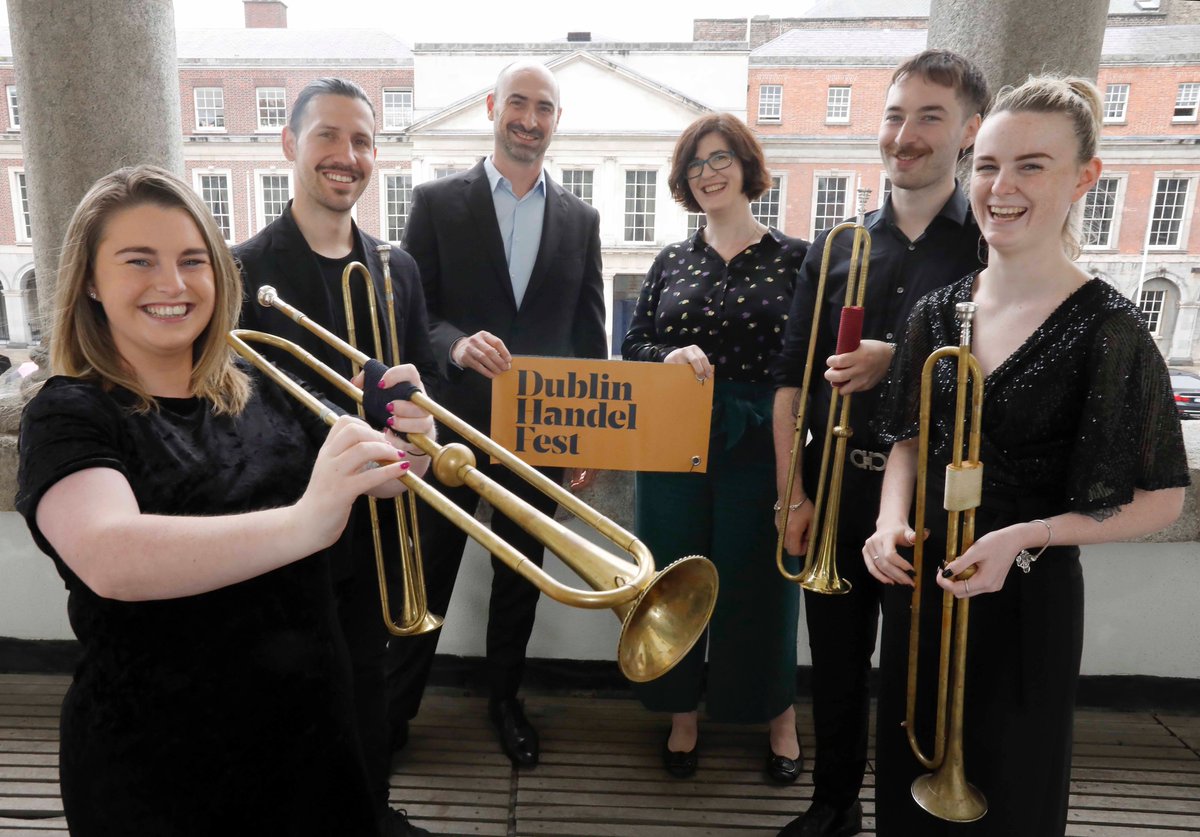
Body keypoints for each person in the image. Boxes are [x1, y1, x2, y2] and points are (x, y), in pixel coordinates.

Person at [14, 165, 434, 836]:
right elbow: (111, 556)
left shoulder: (260, 385)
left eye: (192, 260)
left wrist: (408, 441)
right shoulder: (69, 412)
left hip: (310, 741)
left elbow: (377, 472)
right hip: (164, 768)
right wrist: (305, 521)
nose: (173, 284)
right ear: (91, 281)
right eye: (138, 261)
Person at [864, 76, 1188, 837]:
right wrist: (886, 521)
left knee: (1011, 788)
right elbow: (907, 437)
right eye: (986, 165)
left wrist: (1023, 535)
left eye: (1031, 166)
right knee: (908, 793)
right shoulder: (937, 310)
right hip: (927, 584)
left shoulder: (1111, 329)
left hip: (1028, 591)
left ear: (1085, 177)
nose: (1000, 188)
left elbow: (1163, 499)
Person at [771, 50, 990, 837]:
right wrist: (791, 492)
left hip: (930, 499)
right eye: (896, 115)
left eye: (930, 116)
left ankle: (909, 812)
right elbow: (791, 384)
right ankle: (833, 806)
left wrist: (897, 358)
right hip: (833, 489)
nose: (906, 133)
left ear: (968, 132)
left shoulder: (988, 247)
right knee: (831, 665)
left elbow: (1001, 371)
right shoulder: (834, 248)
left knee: (916, 669)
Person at [387, 59, 607, 768]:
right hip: (448, 426)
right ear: (492, 107)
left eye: (545, 108)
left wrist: (586, 436)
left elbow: (588, 339)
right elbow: (409, 319)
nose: (530, 119)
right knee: (433, 576)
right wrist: (453, 345)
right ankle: (393, 712)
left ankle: (504, 700)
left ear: (556, 122)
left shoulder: (582, 218)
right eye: (519, 103)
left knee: (519, 582)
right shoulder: (433, 201)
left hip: (536, 436)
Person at [234, 78, 438, 837]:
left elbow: (422, 402)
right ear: (290, 145)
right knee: (285, 701)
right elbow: (229, 420)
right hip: (280, 530)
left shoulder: (397, 269)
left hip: (373, 539)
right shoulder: (241, 270)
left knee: (364, 691)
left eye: (361, 141)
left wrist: (419, 430)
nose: (346, 156)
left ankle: (369, 811)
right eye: (327, 136)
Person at [622, 112, 808, 783]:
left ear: (747, 164)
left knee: (764, 581)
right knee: (674, 573)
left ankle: (777, 713)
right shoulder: (670, 259)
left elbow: (809, 362)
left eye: (720, 157)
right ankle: (681, 712)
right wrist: (668, 352)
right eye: (695, 164)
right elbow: (632, 344)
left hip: (763, 442)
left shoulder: (796, 257)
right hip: (673, 442)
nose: (708, 173)